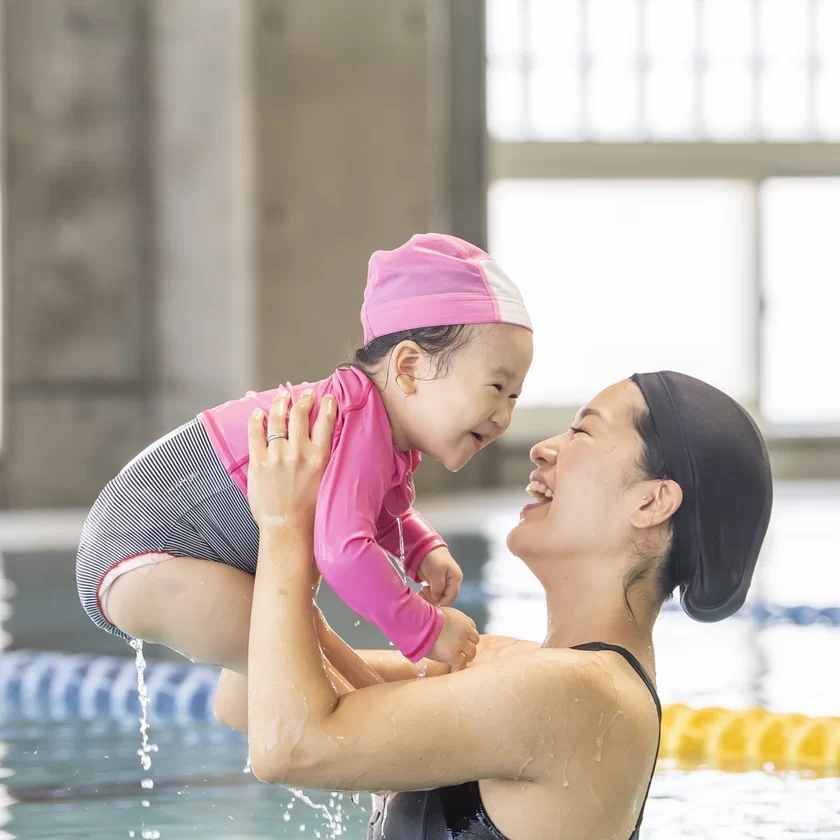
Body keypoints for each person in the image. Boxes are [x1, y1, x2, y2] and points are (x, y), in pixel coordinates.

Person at [223, 370, 772, 840]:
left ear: (651, 501)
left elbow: (290, 746)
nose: (542, 447)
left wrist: (284, 527)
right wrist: (334, 495)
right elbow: (247, 699)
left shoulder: (581, 693)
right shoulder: (503, 666)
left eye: (582, 430)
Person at [75, 233, 533, 674]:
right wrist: (424, 628)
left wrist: (419, 548)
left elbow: (371, 506)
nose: (503, 416)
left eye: (514, 396)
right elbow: (345, 552)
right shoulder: (353, 420)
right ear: (410, 368)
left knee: (316, 661)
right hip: (142, 559)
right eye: (496, 387)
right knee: (312, 673)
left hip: (160, 559)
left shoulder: (365, 422)